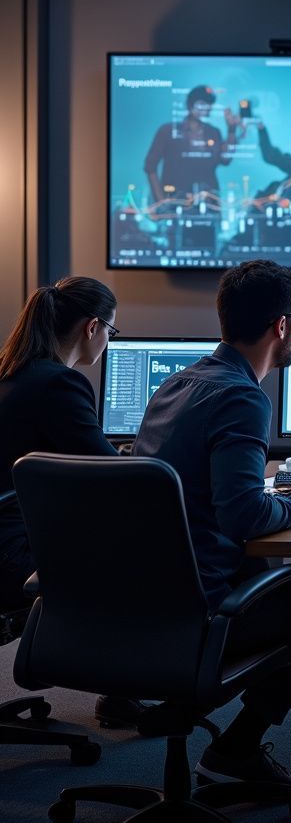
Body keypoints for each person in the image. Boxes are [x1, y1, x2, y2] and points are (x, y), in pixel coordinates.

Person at [134, 259, 291, 791]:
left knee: (280, 581)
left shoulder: (179, 382)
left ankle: (187, 704)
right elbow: (243, 515)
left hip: (147, 597)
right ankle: (236, 749)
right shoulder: (242, 396)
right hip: (203, 605)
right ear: (282, 326)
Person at [0, 277, 144, 728]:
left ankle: (118, 689)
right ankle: (121, 690)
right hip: (12, 555)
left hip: (6, 536)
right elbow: (110, 476)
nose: (107, 341)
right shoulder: (59, 384)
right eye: (111, 331)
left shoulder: (11, 373)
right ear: (92, 327)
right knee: (144, 550)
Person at [143, 84, 237, 205]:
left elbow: (225, 160)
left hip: (209, 204)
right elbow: (150, 167)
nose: (207, 107)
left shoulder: (213, 132)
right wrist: (161, 203)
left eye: (209, 104)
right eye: (202, 103)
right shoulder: (168, 131)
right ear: (190, 105)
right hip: (176, 203)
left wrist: (231, 131)